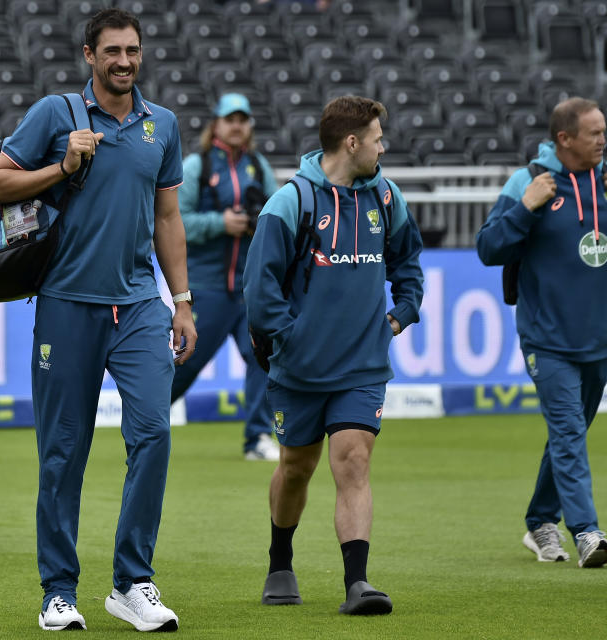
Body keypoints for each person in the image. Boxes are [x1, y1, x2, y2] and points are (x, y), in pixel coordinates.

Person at [0, 8, 196, 633]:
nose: (124, 61)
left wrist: (182, 302)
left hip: (137, 306)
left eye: (132, 50)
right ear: (88, 55)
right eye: (112, 51)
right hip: (66, 307)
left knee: (154, 433)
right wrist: (62, 167)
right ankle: (58, 591)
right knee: (62, 454)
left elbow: (167, 218)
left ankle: (132, 583)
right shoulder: (56, 115)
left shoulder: (164, 125)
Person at [244, 96, 424, 615]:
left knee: (353, 459)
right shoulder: (289, 203)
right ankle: (281, 561)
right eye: (376, 138)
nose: (382, 147)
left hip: (363, 366)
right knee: (297, 468)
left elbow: (408, 261)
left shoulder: (386, 197)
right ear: (352, 143)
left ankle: (358, 583)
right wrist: (292, 338)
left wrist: (401, 313)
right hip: (298, 370)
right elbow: (260, 293)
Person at [477, 97, 607, 568]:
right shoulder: (530, 181)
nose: (604, 138)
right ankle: (586, 532)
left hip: (601, 336)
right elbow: (488, 247)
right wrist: (525, 208)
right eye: (594, 132)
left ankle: (541, 520)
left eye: (604, 130)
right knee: (568, 431)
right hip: (546, 339)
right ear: (564, 139)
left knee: (569, 434)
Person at [172, 93, 281, 461]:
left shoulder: (257, 166)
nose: (237, 125)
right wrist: (222, 223)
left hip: (248, 289)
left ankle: (257, 439)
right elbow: (175, 222)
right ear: (216, 124)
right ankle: (146, 418)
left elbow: (278, 214)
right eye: (230, 119)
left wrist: (257, 223)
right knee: (186, 362)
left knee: (262, 359)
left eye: (243, 119)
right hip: (208, 286)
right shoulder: (195, 166)